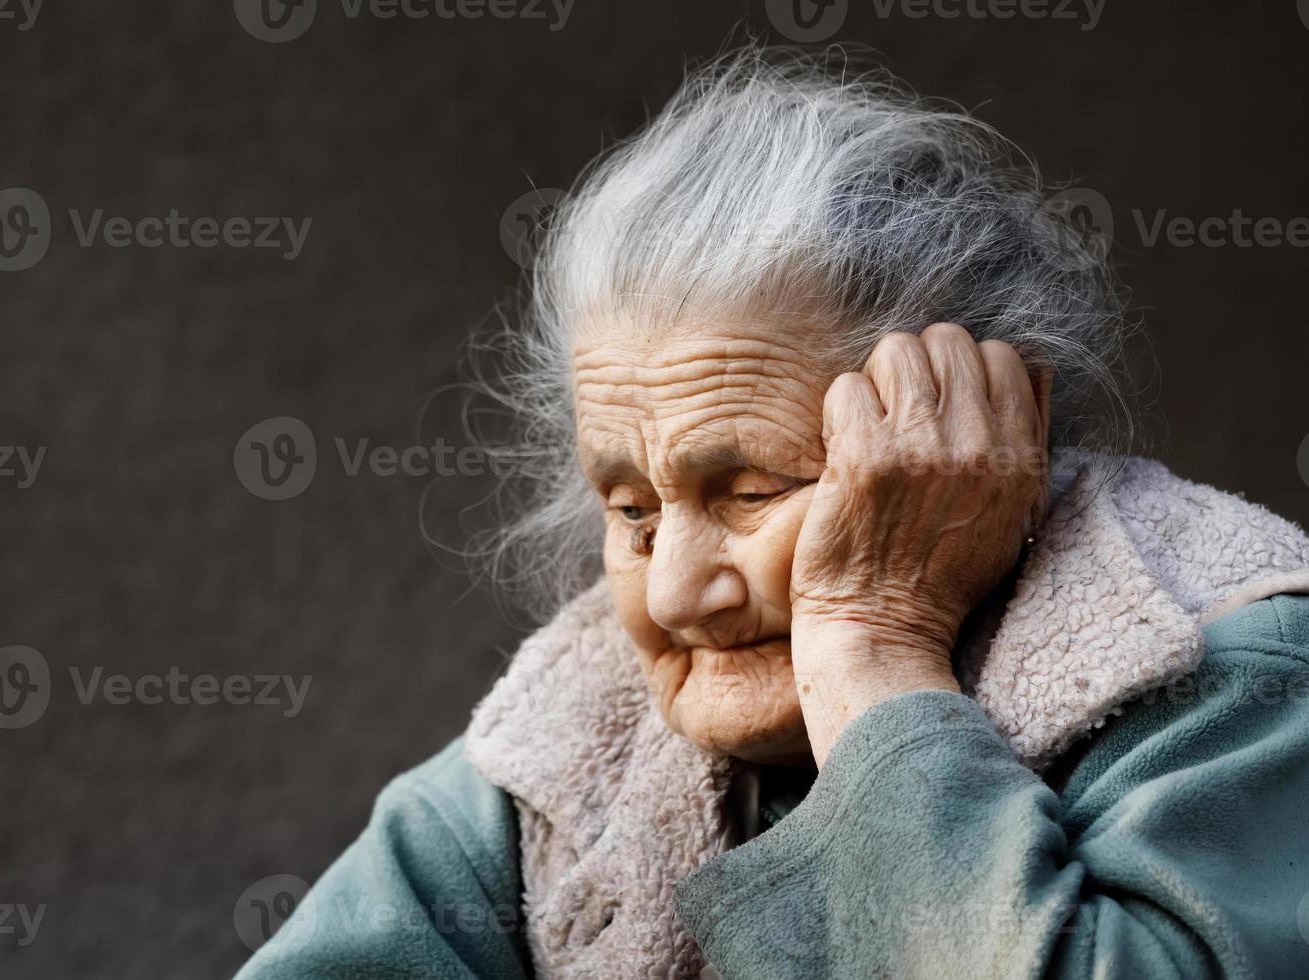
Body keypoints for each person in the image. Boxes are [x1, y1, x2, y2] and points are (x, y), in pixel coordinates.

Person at [235, 48, 1309, 979]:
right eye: (633, 511)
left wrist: (875, 653)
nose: (674, 590)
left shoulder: (1215, 655)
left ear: (970, 443)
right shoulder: (568, 745)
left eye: (749, 491)